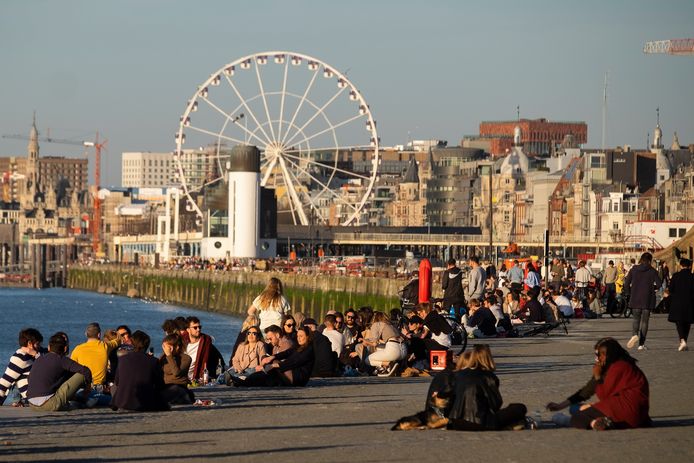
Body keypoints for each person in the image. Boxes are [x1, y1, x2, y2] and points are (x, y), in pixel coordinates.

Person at [547, 337, 650, 430]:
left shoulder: (618, 367)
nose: (597, 358)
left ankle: (595, 423)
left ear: (608, 354)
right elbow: (588, 390)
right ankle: (600, 420)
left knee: (578, 416)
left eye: (599, 355)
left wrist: (597, 376)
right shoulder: (619, 365)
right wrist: (560, 405)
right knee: (574, 408)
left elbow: (603, 395)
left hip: (626, 411)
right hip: (638, 414)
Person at [447, 344, 531, 431]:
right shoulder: (489, 376)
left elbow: (448, 397)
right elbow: (495, 403)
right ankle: (515, 423)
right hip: (480, 423)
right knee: (519, 408)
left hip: (457, 422)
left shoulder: (458, 374)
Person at [26, 332, 92, 412]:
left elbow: (29, 378)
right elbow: (86, 371)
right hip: (48, 404)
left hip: (32, 405)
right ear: (65, 348)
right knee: (81, 375)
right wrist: (88, 387)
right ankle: (80, 401)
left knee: (65, 374)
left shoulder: (39, 359)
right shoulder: (61, 360)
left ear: (49, 347)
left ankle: (74, 400)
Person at [237, 326, 315, 387]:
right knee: (268, 373)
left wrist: (273, 365)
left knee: (271, 370)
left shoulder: (309, 350)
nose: (298, 338)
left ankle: (246, 381)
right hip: (290, 373)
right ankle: (246, 380)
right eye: (297, 336)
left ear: (308, 337)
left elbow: (293, 362)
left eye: (301, 336)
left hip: (297, 379)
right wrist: (273, 357)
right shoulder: (298, 347)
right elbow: (286, 353)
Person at [112, 330, 169, 411]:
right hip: (144, 402)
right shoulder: (153, 361)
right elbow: (160, 385)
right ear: (147, 345)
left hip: (123, 402)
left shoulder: (122, 359)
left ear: (131, 343)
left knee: (114, 387)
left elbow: (117, 382)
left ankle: (116, 402)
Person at [624, 252, 662, 351]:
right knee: (645, 321)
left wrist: (628, 293)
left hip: (635, 297)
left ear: (641, 259)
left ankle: (634, 335)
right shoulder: (653, 271)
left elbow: (626, 283)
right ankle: (641, 345)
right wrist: (652, 287)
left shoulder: (634, 269)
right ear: (650, 260)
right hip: (647, 299)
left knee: (636, 319)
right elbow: (659, 284)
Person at [0, 328, 44, 406]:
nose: (39, 346)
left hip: (37, 395)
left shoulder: (33, 355)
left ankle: (18, 400)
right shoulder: (20, 358)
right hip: (33, 397)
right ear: (30, 343)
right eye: (38, 344)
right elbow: (5, 382)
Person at [364, 311, 407, 376]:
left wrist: (364, 341)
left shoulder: (376, 324)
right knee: (380, 347)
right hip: (403, 350)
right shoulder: (392, 325)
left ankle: (388, 364)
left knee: (367, 360)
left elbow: (374, 343)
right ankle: (387, 368)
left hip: (393, 349)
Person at [184, 316, 225, 381]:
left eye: (199, 327)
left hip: (197, 377)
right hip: (183, 376)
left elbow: (219, 359)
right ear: (188, 330)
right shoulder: (183, 343)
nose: (198, 329)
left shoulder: (205, 342)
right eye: (195, 327)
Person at [159, 333, 194, 405]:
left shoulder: (186, 358)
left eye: (168, 347)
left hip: (179, 387)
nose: (166, 349)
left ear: (177, 347)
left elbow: (176, 373)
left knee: (175, 389)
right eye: (164, 347)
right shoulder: (163, 358)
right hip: (166, 387)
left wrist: (169, 355)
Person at [667, 258, 694, 352]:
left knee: (679, 323)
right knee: (687, 323)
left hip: (677, 302)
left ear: (681, 265)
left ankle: (682, 340)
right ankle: (684, 341)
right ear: (690, 266)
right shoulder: (692, 276)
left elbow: (670, 289)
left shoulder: (676, 276)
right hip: (690, 303)